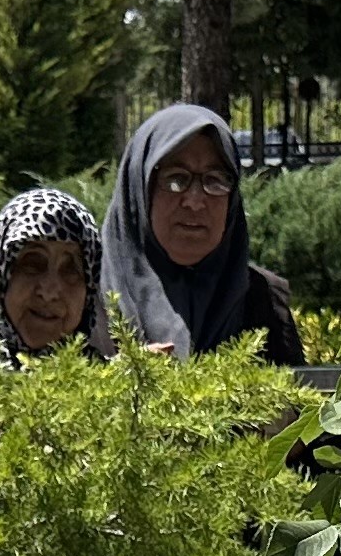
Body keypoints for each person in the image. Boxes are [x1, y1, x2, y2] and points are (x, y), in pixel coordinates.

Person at [104, 102, 305, 363]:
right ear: (140, 190)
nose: (195, 201)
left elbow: (295, 399)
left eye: (215, 179)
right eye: (176, 179)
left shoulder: (262, 300)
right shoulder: (85, 296)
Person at [0, 190, 120, 369]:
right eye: (32, 264)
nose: (49, 292)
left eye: (71, 270)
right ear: (0, 276)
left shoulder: (103, 384)